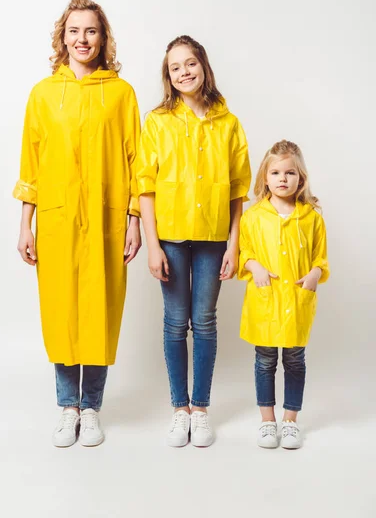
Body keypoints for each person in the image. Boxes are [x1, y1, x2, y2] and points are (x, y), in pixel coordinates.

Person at [13, 0, 141, 447]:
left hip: (106, 221)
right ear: (61, 37)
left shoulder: (121, 94)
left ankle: (93, 408)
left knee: (100, 310)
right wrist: (25, 224)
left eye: (91, 31)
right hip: (57, 220)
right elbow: (32, 162)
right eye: (74, 31)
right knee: (62, 310)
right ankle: (68, 407)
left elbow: (136, 161)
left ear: (103, 38)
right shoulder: (43, 94)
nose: (82, 39)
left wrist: (134, 221)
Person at [137, 35, 251, 447]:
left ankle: (200, 408)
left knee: (203, 322)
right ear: (168, 76)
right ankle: (179, 409)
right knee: (174, 321)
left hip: (213, 238)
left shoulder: (228, 122)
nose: (184, 72)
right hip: (168, 236)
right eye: (175, 67)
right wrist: (151, 244)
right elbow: (145, 187)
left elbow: (239, 190)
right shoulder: (156, 122)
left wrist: (235, 244)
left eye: (190, 64)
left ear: (203, 66)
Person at [238, 139, 329, 449]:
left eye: (290, 173)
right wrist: (255, 266)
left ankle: (290, 421)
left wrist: (315, 274)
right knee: (264, 361)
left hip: (296, 301)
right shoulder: (253, 216)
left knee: (294, 360)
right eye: (275, 173)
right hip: (265, 301)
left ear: (300, 177)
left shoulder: (311, 217)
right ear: (265, 177)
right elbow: (243, 250)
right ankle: (267, 421)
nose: (282, 179)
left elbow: (321, 257)